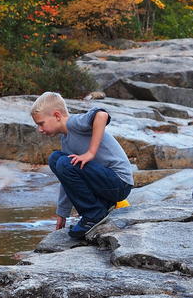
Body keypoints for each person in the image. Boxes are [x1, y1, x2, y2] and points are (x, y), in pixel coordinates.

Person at [31, 92, 133, 239]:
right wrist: (62, 213)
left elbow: (101, 115)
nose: (40, 129)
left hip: (119, 182)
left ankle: (94, 215)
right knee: (56, 159)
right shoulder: (66, 141)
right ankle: (101, 208)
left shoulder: (75, 122)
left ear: (57, 116)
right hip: (105, 184)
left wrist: (91, 153)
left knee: (63, 162)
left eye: (41, 123)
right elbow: (67, 180)